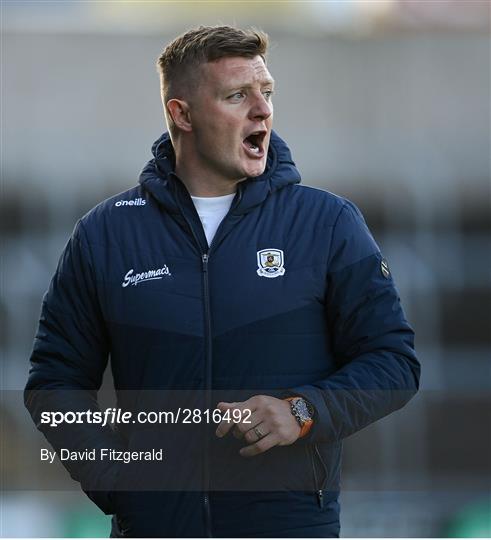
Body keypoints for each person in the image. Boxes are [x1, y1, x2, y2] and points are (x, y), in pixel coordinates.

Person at [25, 25, 420, 538]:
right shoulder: (106, 234)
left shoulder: (327, 224)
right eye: (238, 96)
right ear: (182, 114)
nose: (262, 111)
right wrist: (119, 480)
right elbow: (54, 385)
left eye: (267, 93)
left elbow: (393, 362)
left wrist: (301, 412)